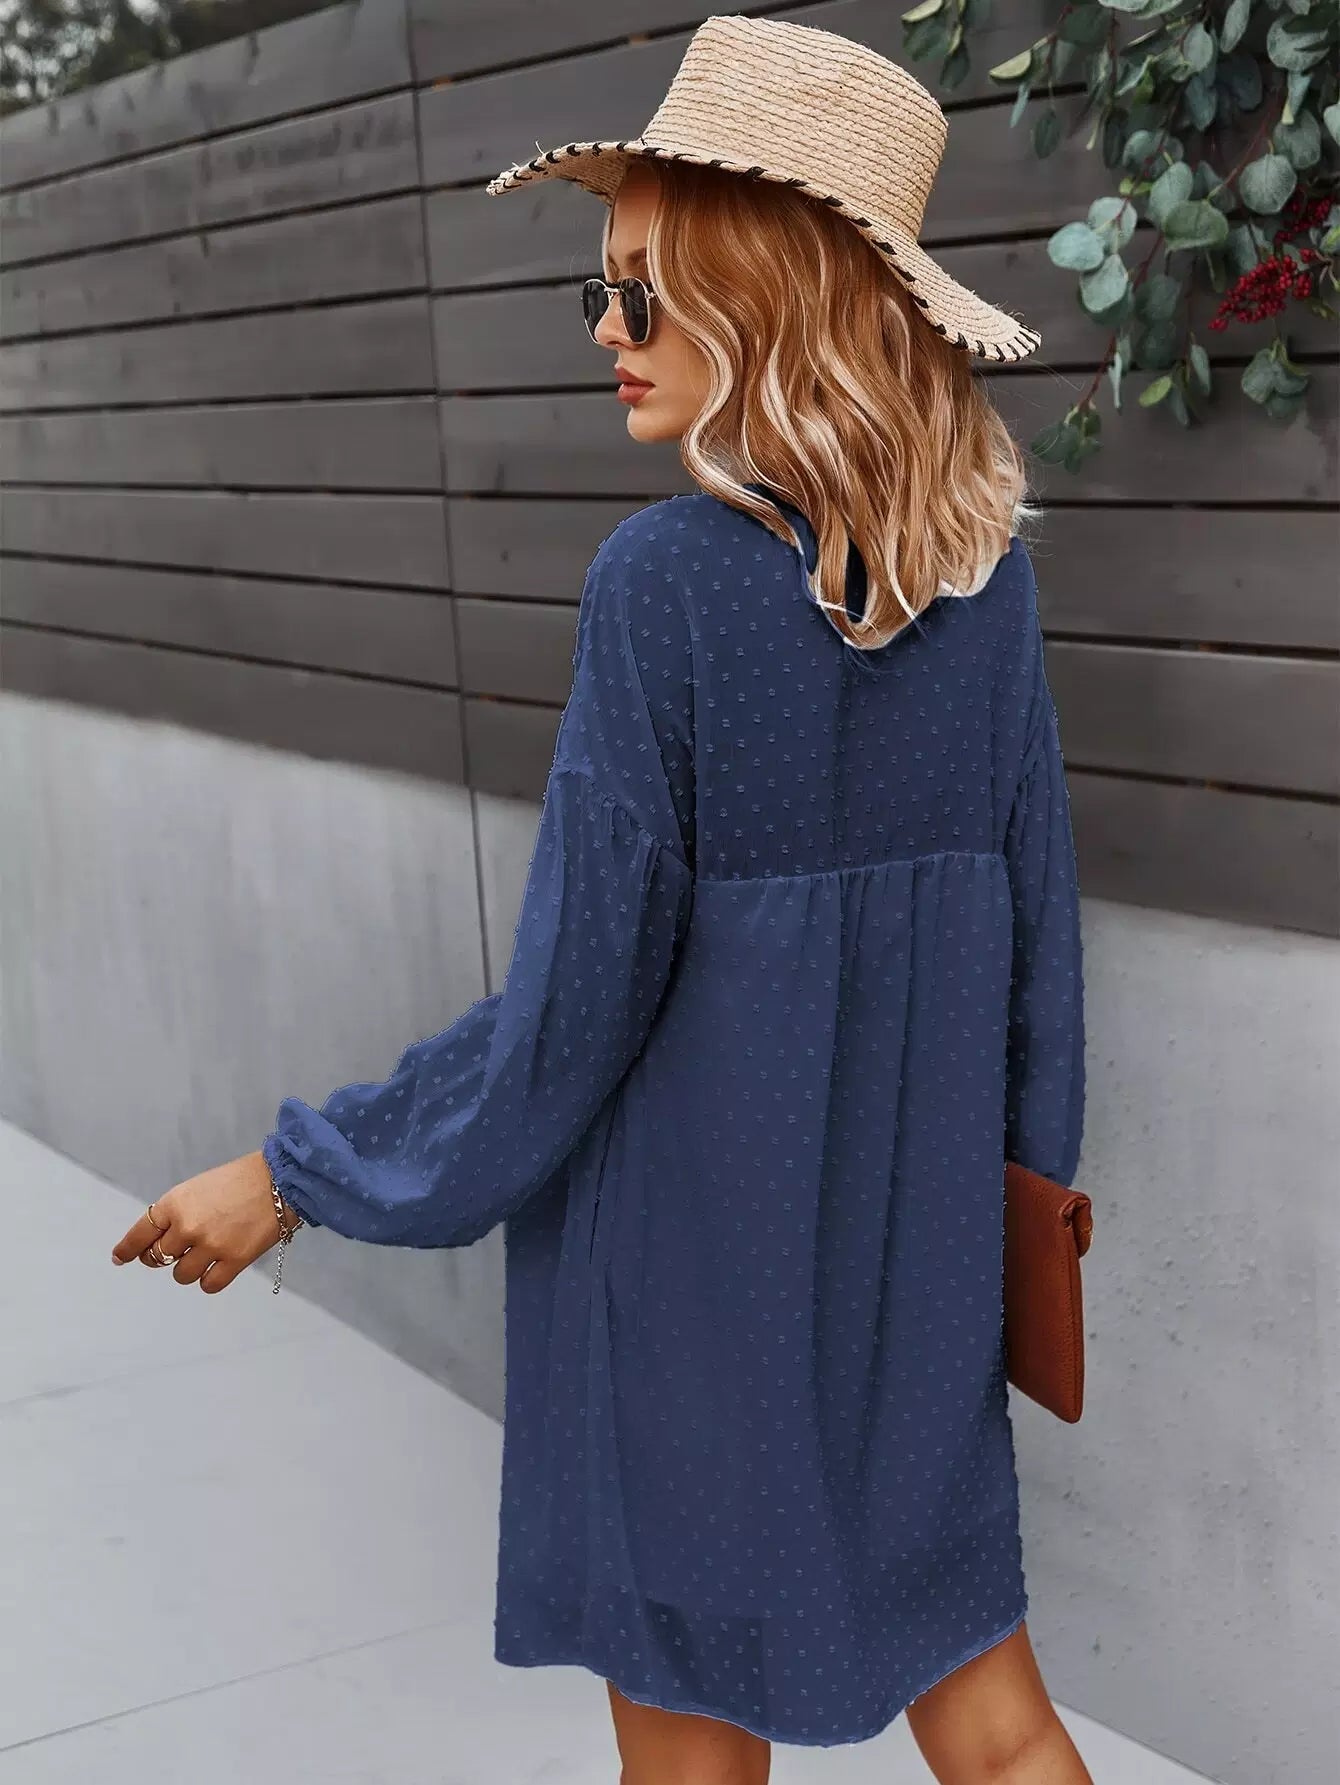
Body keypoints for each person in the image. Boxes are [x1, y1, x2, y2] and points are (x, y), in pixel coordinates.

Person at [111, 16, 1091, 1784]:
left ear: (762, 296)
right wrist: (994, 1235)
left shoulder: (664, 590)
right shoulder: (988, 585)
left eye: (642, 290)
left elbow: (570, 1018)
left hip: (692, 1294)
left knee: (692, 1763)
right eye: (603, 292)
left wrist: (298, 1171)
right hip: (913, 1276)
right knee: (1003, 1729)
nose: (607, 332)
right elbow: (1042, 961)